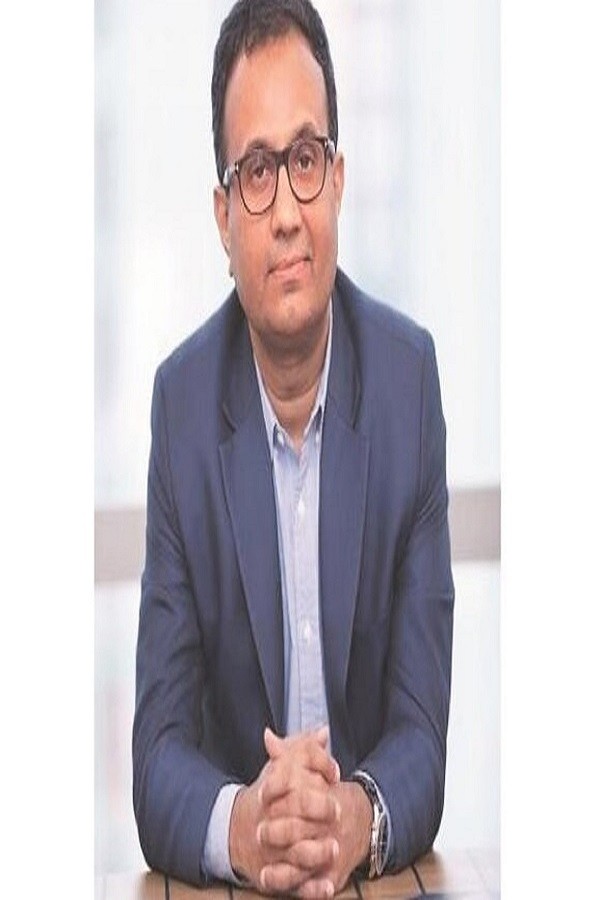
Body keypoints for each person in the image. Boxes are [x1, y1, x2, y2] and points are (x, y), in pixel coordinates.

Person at [132, 0, 454, 896]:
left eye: (305, 160)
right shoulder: (182, 408)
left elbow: (422, 734)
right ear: (222, 213)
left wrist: (353, 815)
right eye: (256, 171)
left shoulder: (408, 384)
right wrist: (247, 824)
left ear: (339, 181)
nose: (284, 212)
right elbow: (156, 753)